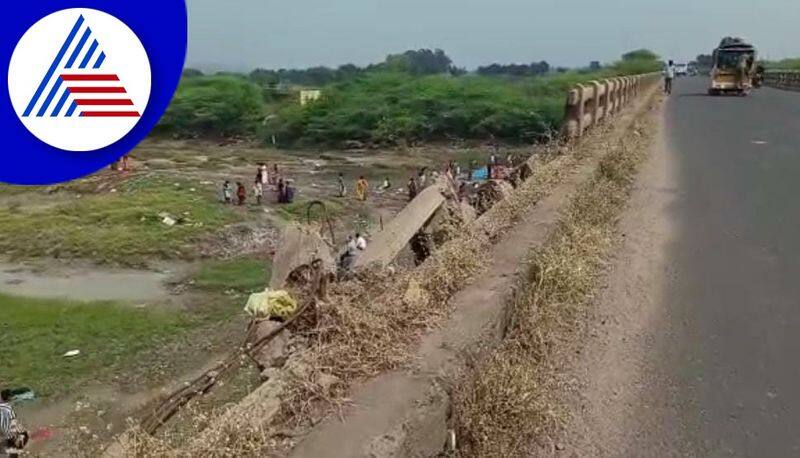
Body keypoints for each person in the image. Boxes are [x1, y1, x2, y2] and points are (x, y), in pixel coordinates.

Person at [1, 390, 29, 457]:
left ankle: (14, 448)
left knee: (10, 442)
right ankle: (18, 450)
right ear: (9, 397)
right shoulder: (8, 408)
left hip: (2, 429)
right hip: (9, 430)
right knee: (25, 435)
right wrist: (15, 433)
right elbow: (13, 421)